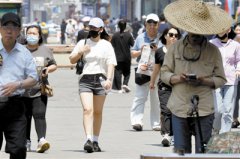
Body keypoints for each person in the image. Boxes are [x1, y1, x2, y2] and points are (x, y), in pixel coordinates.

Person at [161, 0, 230, 153]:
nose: (195, 36)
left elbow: (221, 79)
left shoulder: (213, 51)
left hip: (204, 108)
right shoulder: (175, 48)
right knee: (181, 151)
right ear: (186, 29)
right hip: (179, 106)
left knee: (203, 152)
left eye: (199, 33)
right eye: (192, 32)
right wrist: (178, 78)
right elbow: (164, 74)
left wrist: (204, 80)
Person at [69, 17, 116, 153]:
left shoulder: (106, 45)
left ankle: (95, 140)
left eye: (95, 28)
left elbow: (110, 63)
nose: (93, 30)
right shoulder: (83, 43)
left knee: (97, 112)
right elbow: (71, 60)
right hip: (86, 80)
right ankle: (88, 139)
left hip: (101, 79)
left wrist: (109, 79)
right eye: (91, 28)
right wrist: (80, 51)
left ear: (101, 29)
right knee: (87, 109)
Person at [0, 12, 38, 159]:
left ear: (19, 31)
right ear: (0, 28)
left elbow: (33, 78)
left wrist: (18, 84)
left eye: (14, 27)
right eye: (6, 26)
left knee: (18, 148)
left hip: (15, 104)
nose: (9, 30)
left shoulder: (24, 53)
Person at [23, 25, 57, 153]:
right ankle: (26, 141)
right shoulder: (19, 50)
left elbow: (54, 64)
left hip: (40, 88)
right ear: (26, 35)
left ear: (39, 36)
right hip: (22, 91)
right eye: (29, 33)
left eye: (34, 33)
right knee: (25, 117)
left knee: (40, 114)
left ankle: (41, 140)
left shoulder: (45, 50)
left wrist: (48, 69)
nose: (31, 35)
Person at [150, 27, 181, 147]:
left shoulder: (181, 51)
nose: (173, 37)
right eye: (171, 34)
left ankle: (173, 135)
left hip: (178, 85)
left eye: (176, 35)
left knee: (176, 111)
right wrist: (152, 82)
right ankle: (166, 135)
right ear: (165, 36)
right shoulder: (159, 52)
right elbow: (156, 68)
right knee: (166, 110)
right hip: (163, 85)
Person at [130, 13, 161, 131]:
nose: (152, 26)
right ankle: (137, 122)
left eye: (154, 23)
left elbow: (167, 53)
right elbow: (132, 53)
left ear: (158, 25)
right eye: (149, 23)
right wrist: (141, 50)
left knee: (156, 99)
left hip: (156, 72)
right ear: (146, 24)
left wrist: (157, 50)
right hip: (143, 71)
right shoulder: (140, 37)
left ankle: (156, 123)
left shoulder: (161, 38)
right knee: (139, 97)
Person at [210, 28, 240, 134]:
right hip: (216, 80)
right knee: (218, 110)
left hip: (231, 81)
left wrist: (238, 70)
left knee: (227, 110)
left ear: (228, 29)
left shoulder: (235, 45)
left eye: (223, 27)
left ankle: (225, 135)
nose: (220, 29)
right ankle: (216, 129)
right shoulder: (211, 44)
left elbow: (238, 60)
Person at [111, 19, 135, 93]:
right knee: (127, 72)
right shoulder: (129, 35)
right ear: (125, 26)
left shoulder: (115, 35)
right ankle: (125, 84)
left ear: (118, 26)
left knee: (118, 72)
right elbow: (132, 44)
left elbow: (112, 44)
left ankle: (118, 87)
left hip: (117, 57)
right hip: (127, 57)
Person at [232, 23, 240, 128]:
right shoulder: (231, 43)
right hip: (235, 74)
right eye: (237, 30)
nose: (238, 32)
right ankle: (235, 119)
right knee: (235, 96)